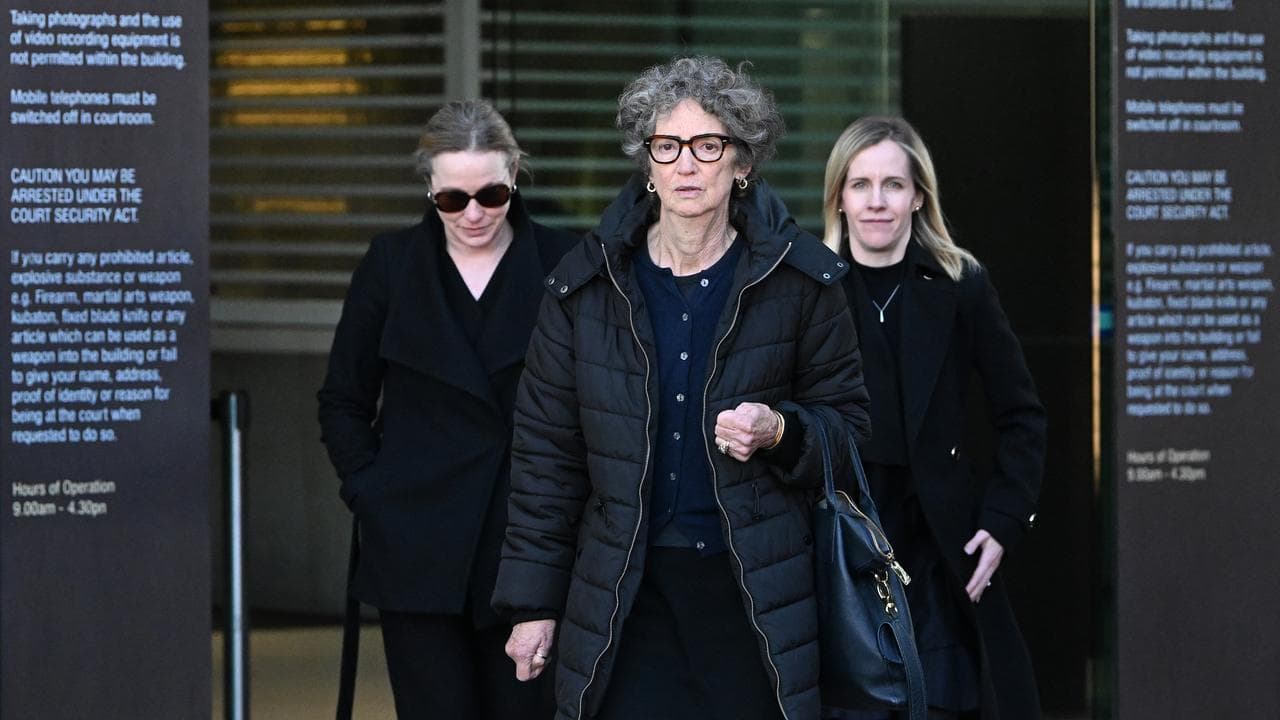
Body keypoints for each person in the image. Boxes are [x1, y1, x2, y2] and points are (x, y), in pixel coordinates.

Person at [489, 56, 871, 720]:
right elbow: (545, 459)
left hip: (752, 591)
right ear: (647, 164)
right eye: (667, 147)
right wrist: (533, 604)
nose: (686, 165)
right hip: (625, 595)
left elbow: (851, 432)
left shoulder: (802, 283)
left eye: (707, 145)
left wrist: (783, 432)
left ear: (741, 162)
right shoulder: (586, 288)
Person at [317, 98, 578, 719]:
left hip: (528, 546)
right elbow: (343, 398)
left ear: (515, 174)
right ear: (428, 186)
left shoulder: (565, 263)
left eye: (491, 195)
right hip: (417, 546)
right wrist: (372, 493)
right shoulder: (393, 265)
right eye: (452, 200)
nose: (474, 214)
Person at [820, 116, 1047, 719]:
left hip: (941, 543)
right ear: (838, 196)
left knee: (949, 700)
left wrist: (1002, 522)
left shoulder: (960, 283)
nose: (876, 202)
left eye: (892, 185)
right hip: (843, 537)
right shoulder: (808, 289)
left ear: (918, 196)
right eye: (860, 184)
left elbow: (1022, 415)